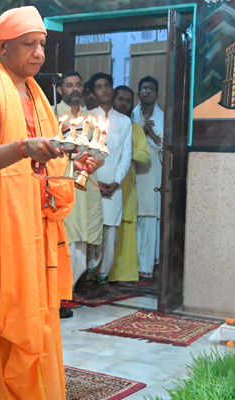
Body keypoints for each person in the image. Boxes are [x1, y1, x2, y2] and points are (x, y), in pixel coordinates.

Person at [0, 6, 98, 399]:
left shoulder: (35, 93)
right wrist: (21, 148)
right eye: (28, 44)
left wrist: (75, 160)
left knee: (36, 311)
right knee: (1, 310)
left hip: (34, 215)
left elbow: (42, 161)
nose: (39, 53)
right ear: (1, 47)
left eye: (42, 44)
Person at [55, 71, 102, 315]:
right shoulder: (52, 114)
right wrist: (70, 155)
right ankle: (57, 296)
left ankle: (66, 290)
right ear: (60, 89)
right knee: (65, 240)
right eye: (69, 85)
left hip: (85, 186)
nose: (74, 89)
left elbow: (101, 152)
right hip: (62, 183)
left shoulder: (92, 119)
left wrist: (92, 161)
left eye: (78, 85)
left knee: (82, 248)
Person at [86, 72, 132, 285]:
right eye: (99, 87)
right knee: (91, 231)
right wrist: (94, 180)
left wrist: (116, 182)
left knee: (110, 233)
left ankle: (102, 277)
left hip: (113, 185)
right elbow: (83, 153)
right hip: (91, 183)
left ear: (112, 89)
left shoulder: (124, 122)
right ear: (93, 93)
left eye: (107, 85)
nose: (104, 89)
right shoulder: (87, 118)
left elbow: (126, 156)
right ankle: (86, 275)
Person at [108, 85, 150, 284]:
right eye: (120, 99)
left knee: (125, 234)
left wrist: (127, 149)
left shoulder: (136, 129)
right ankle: (99, 276)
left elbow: (144, 156)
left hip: (126, 189)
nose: (123, 104)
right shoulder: (103, 123)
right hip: (103, 187)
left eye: (127, 101)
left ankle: (123, 277)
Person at [131, 76, 163, 281]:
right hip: (134, 174)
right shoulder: (131, 115)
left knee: (150, 217)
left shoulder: (163, 116)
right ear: (139, 93)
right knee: (135, 219)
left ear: (157, 94)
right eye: (143, 88)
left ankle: (147, 268)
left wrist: (148, 131)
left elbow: (164, 144)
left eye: (151, 89)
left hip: (153, 173)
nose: (147, 92)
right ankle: (133, 268)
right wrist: (140, 129)